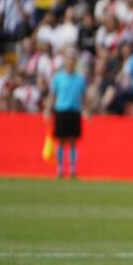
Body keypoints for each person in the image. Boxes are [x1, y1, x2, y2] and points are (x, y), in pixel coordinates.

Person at [43, 49, 87, 179]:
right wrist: (47, 109)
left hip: (74, 111)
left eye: (73, 60)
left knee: (73, 141)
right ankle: (60, 168)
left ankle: (73, 169)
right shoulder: (58, 77)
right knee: (60, 141)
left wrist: (86, 109)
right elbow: (52, 95)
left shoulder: (80, 79)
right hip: (61, 110)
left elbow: (83, 97)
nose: (70, 62)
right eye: (68, 59)